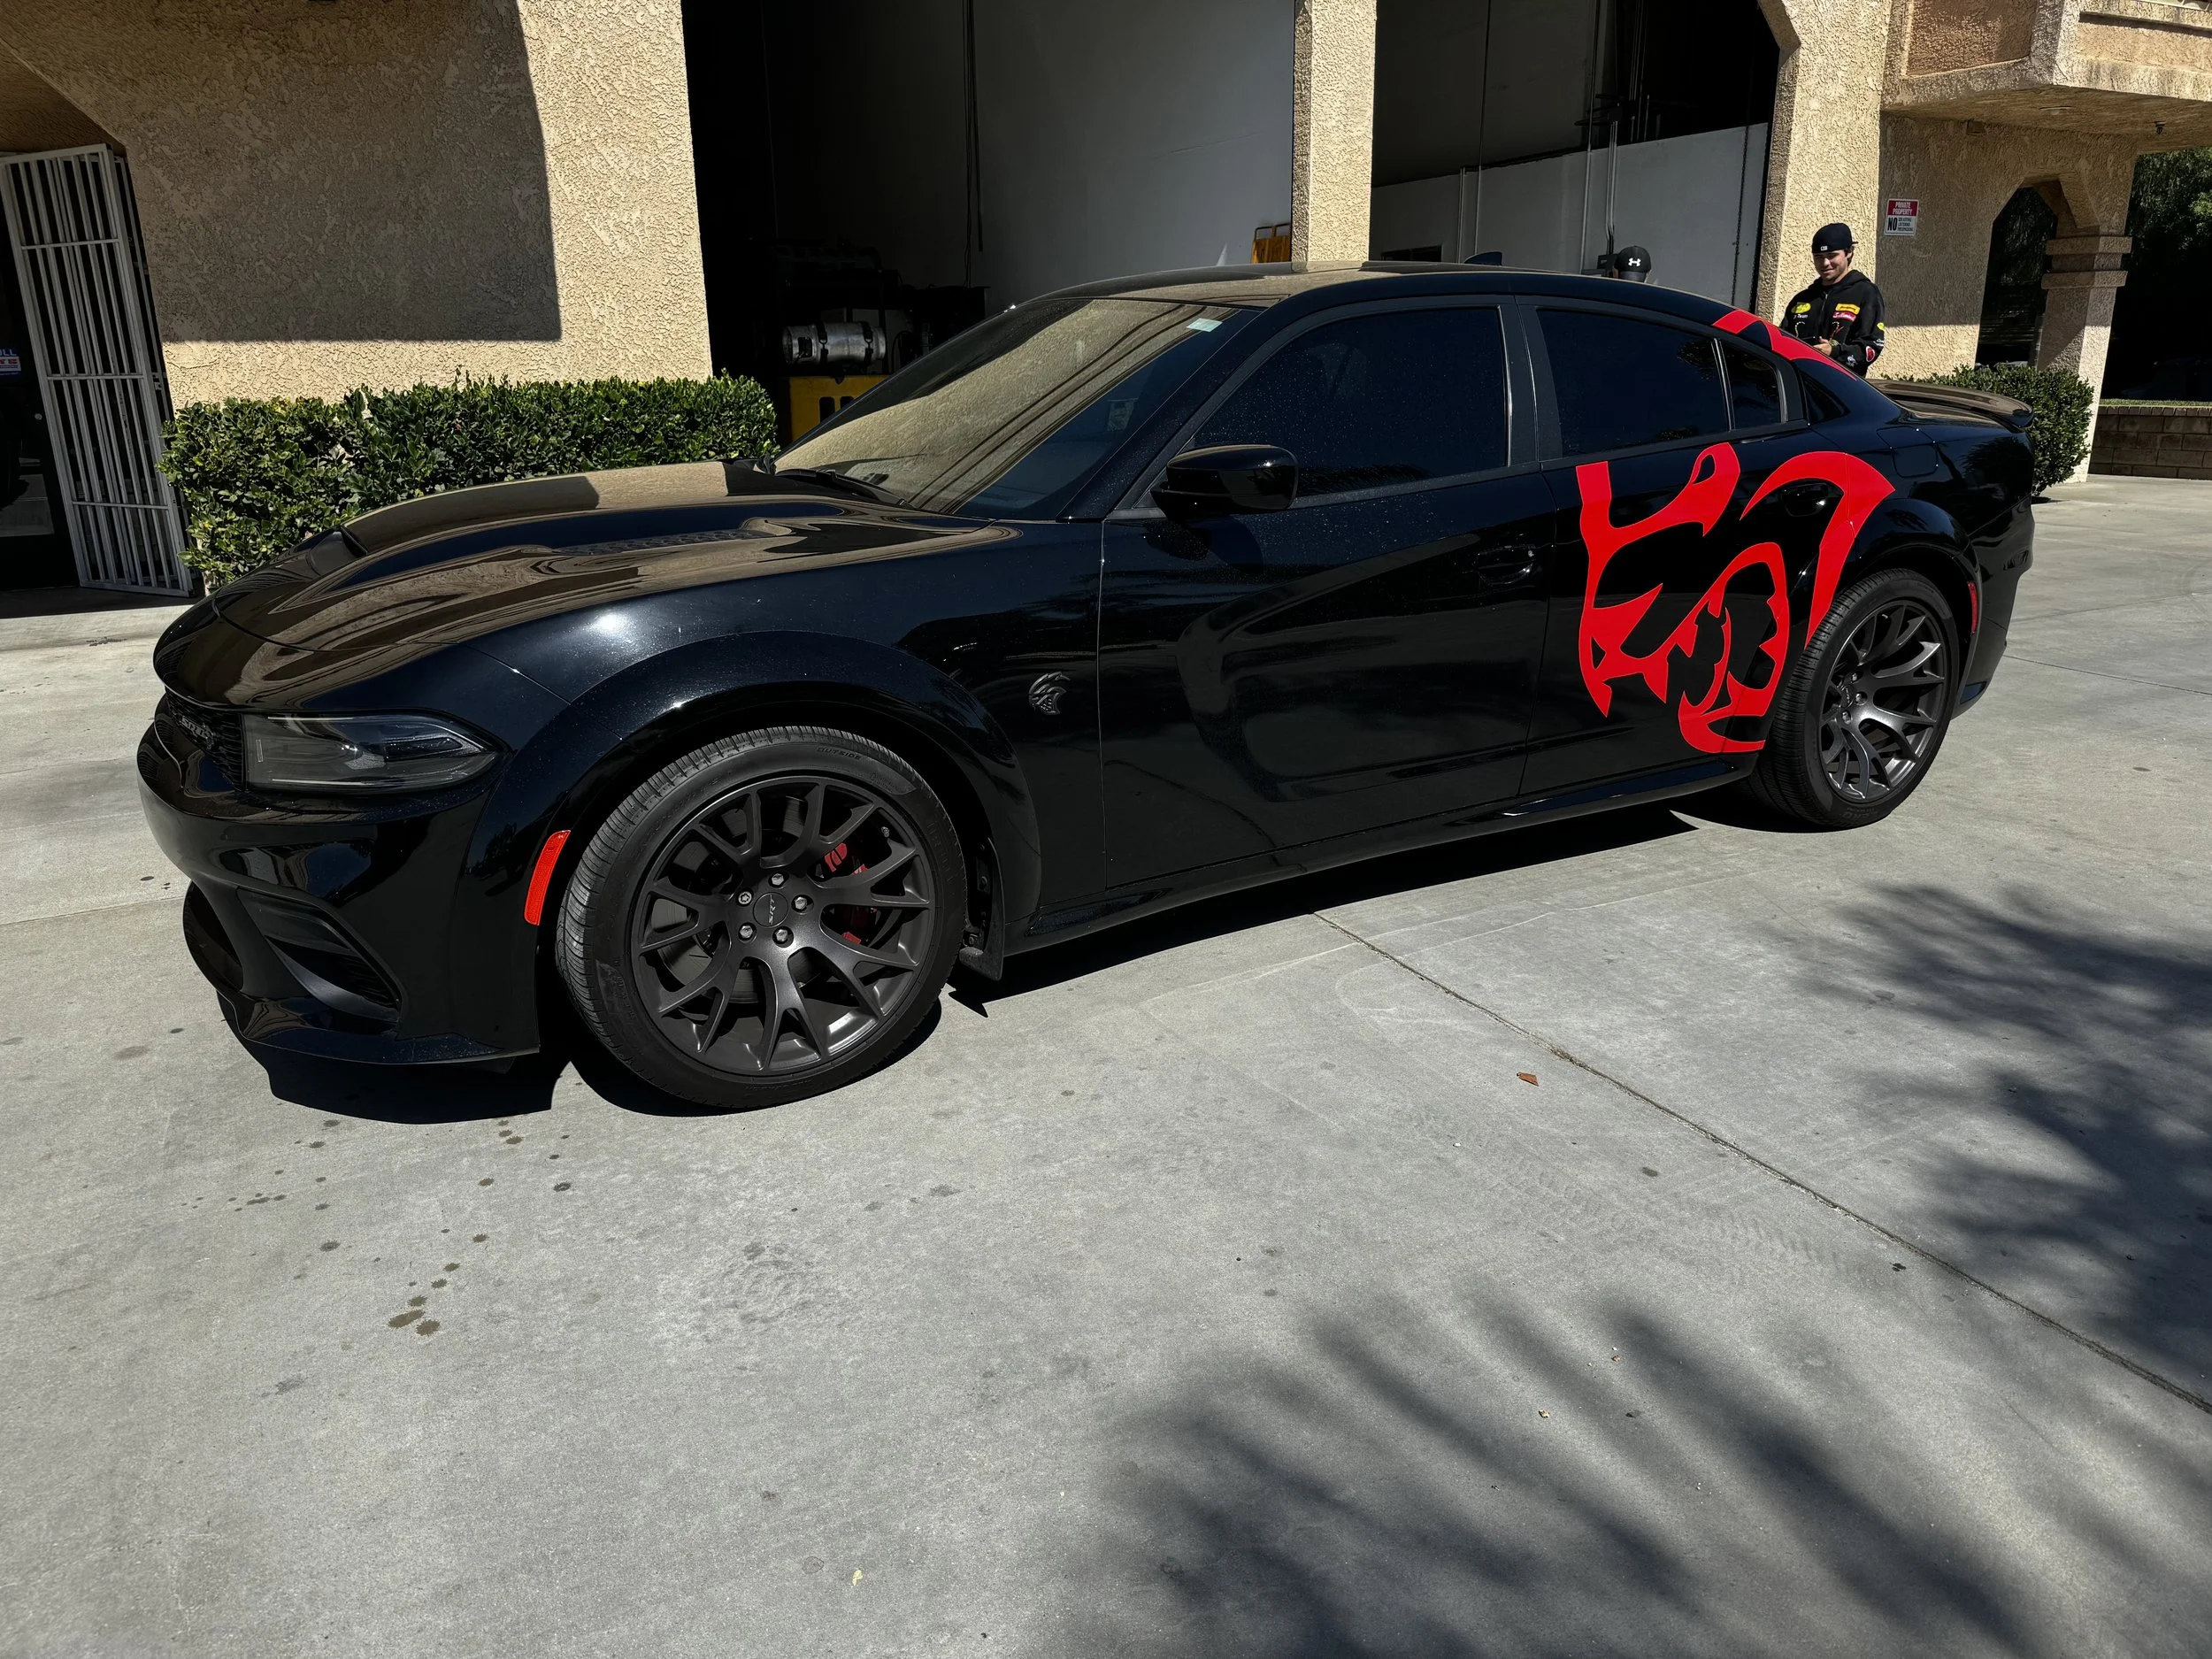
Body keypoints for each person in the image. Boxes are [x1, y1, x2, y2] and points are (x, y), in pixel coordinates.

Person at [1781, 223, 1886, 376]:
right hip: (1800, 388)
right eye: (1818, 257)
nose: (1824, 264)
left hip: (1841, 389)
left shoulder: (1866, 293)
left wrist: (1835, 352)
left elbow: (1871, 348)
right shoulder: (1803, 298)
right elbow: (1783, 340)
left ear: (1849, 252)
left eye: (1831, 256)